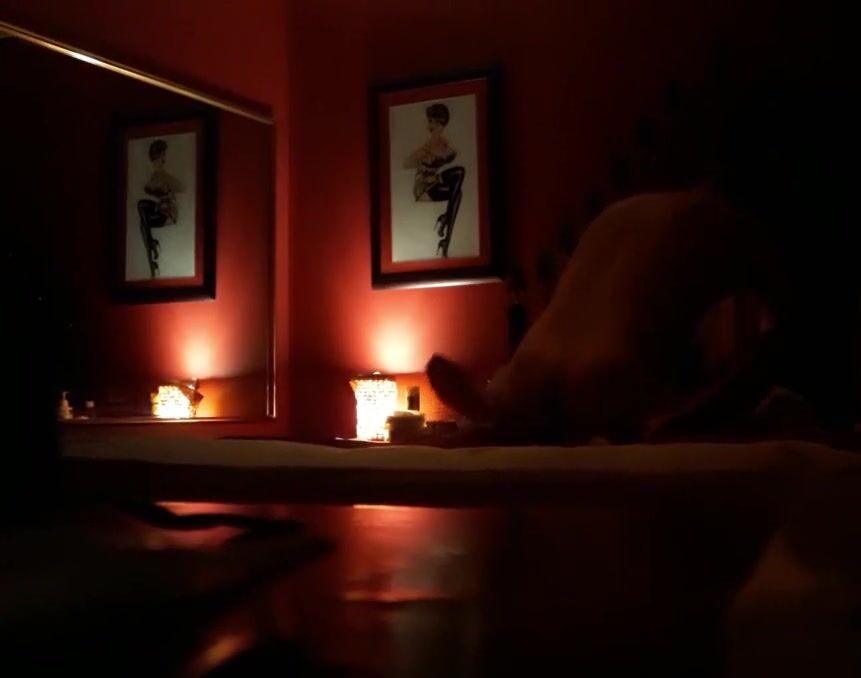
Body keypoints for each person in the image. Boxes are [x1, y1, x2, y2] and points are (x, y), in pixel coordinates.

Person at [403, 103, 465, 257]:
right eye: (430, 121)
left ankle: (446, 239)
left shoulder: (444, 145)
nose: (430, 125)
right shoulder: (427, 148)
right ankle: (445, 222)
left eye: (433, 122)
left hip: (434, 184)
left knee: (458, 191)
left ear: (441, 124)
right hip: (423, 188)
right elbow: (406, 163)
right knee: (459, 175)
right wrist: (423, 163)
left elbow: (451, 154)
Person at [137, 139, 185, 278]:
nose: (155, 162)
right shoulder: (155, 176)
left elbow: (180, 187)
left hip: (168, 213)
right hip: (160, 209)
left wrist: (165, 191)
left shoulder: (164, 176)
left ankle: (151, 256)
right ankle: (151, 247)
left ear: (161, 157)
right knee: (142, 210)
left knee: (143, 221)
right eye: (154, 160)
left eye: (157, 158)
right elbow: (148, 188)